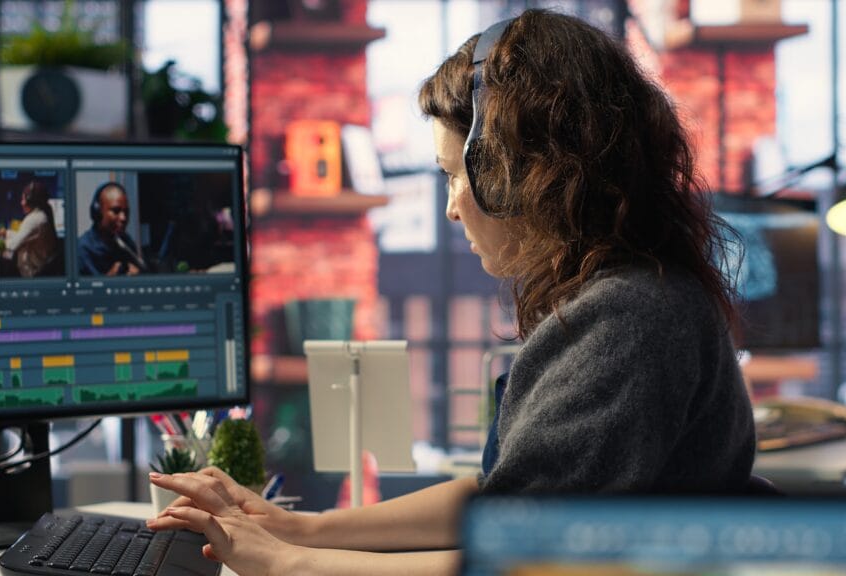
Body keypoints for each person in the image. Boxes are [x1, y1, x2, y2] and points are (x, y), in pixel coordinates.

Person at [147, 10, 756, 575]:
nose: (451, 208)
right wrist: (297, 528)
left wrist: (286, 564)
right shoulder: (629, 296)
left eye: (454, 175)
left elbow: (517, 560)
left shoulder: (628, 318)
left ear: (512, 168)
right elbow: (501, 500)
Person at [77, 181, 146, 276]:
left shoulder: (125, 242)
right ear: (98, 213)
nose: (123, 218)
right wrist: (109, 280)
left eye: (126, 211)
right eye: (116, 211)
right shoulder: (82, 249)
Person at [0, 181, 61, 277]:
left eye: (23, 199)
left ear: (31, 201)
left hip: (32, 273)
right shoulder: (41, 215)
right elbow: (25, 236)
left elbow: (12, 246)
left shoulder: (34, 219)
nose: (21, 203)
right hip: (41, 269)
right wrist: (7, 233)